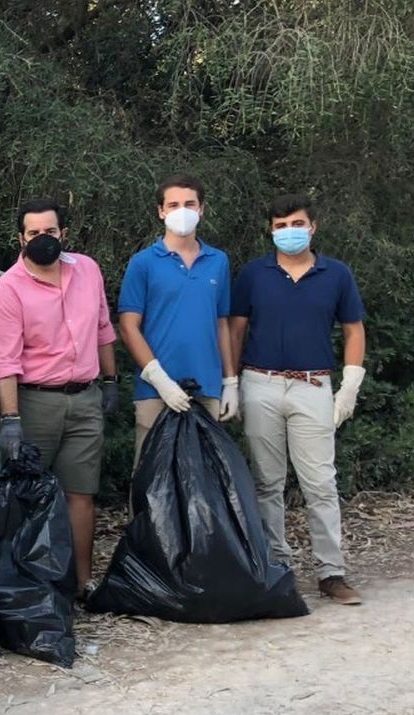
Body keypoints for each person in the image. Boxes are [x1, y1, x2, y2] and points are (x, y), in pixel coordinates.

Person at [231, 194, 367, 606]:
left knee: (321, 483)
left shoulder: (336, 275)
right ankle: (277, 567)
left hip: (313, 385)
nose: (289, 231)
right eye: (280, 225)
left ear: (313, 227)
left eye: (297, 223)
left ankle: (331, 571)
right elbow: (236, 330)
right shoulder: (254, 274)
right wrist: (230, 383)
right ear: (270, 231)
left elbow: (354, 331)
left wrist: (349, 387)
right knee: (266, 482)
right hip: (261, 383)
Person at [0, 198, 118, 588]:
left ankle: (81, 583)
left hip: (84, 398)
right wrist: (10, 421)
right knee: (26, 495)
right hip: (32, 400)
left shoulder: (88, 270)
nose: (43, 238)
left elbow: (103, 329)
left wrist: (110, 381)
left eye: (50, 231)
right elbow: (5, 362)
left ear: (63, 233)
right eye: (33, 233)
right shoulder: (6, 291)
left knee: (81, 493)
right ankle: (29, 589)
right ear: (20, 238)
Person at [117, 173, 239, 462]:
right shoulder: (143, 263)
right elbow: (128, 326)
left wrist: (230, 381)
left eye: (189, 203)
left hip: (206, 386)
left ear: (202, 209)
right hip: (155, 391)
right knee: (152, 484)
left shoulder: (218, 261)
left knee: (205, 481)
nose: (181, 211)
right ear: (161, 211)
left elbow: (221, 323)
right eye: (173, 205)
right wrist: (159, 379)